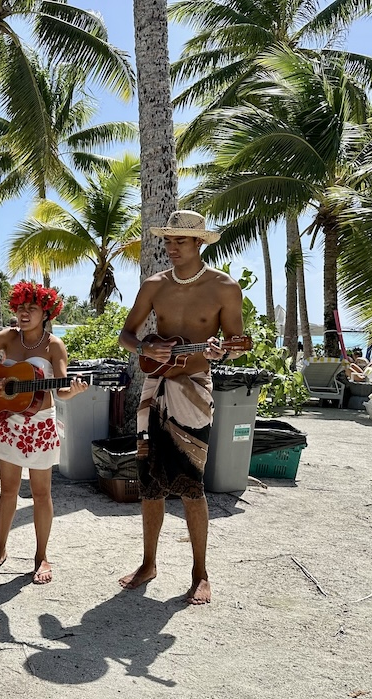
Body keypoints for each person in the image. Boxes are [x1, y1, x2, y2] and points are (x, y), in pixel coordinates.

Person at [116, 210, 245, 606]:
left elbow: (238, 342)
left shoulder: (224, 288)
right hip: (155, 389)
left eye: (180, 242)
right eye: (168, 241)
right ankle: (149, 563)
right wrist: (144, 347)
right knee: (149, 482)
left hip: (194, 391)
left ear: (199, 243)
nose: (171, 248)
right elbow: (127, 334)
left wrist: (222, 351)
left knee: (192, 484)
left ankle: (199, 572)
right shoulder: (154, 285)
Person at [0, 282, 87, 584]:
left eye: (31, 308)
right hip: (8, 423)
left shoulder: (54, 345)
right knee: (8, 491)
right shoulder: (8, 337)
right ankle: (0, 550)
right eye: (20, 308)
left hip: (41, 425)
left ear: (46, 312)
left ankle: (41, 556)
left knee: (42, 494)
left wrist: (76, 391)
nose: (24, 313)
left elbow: (62, 390)